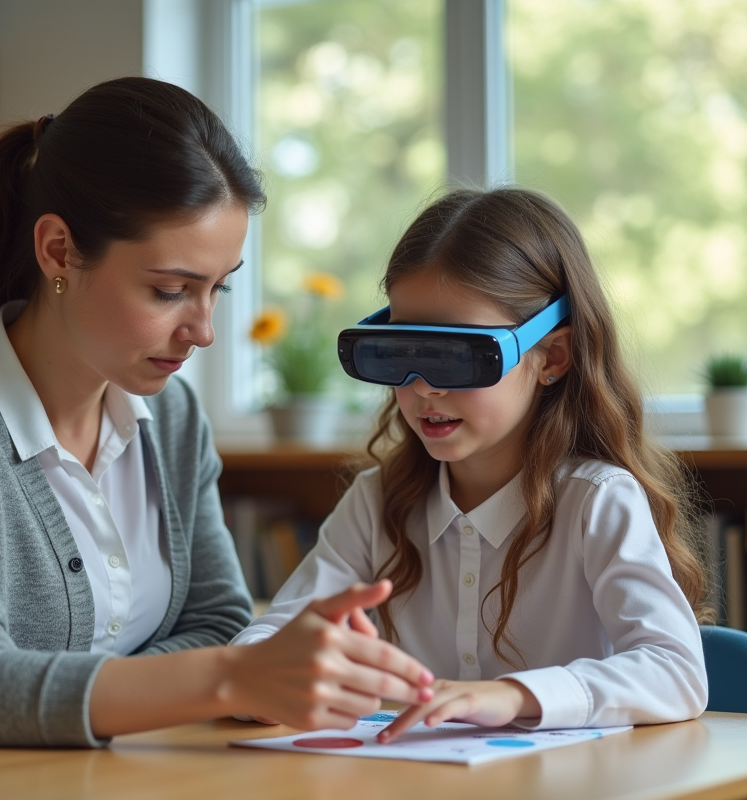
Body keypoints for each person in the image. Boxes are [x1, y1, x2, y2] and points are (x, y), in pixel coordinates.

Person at [0, 77, 433, 759]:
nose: (203, 330)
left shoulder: (170, 419)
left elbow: (218, 621)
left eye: (219, 288)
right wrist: (229, 678)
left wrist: (216, 672)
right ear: (58, 251)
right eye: (170, 290)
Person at [231, 187, 711, 741]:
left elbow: (677, 672)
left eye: (457, 356)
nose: (423, 388)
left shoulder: (596, 501)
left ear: (552, 356)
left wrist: (511, 695)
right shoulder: (375, 502)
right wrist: (259, 681)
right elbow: (271, 639)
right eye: (401, 351)